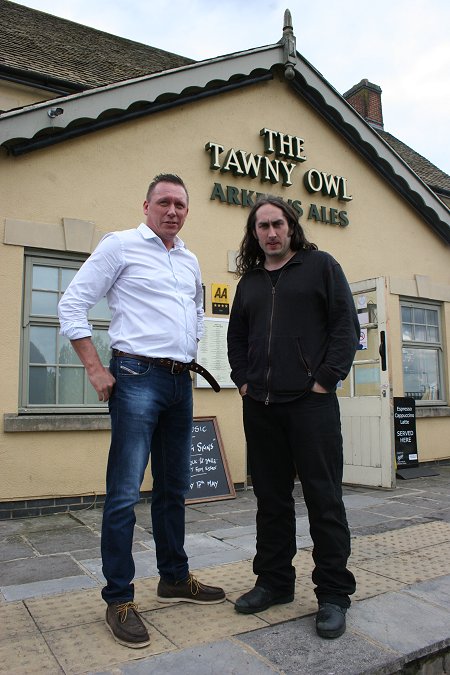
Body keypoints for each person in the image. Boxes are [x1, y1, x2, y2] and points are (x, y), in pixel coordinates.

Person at [58, 174, 225, 650]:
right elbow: (72, 304)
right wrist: (95, 367)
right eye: (164, 202)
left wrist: (189, 350)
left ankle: (174, 577)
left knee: (174, 488)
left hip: (179, 381)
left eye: (180, 204)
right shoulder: (121, 246)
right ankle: (119, 597)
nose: (172, 210)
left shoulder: (189, 258)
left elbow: (194, 306)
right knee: (125, 492)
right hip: (134, 377)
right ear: (147, 205)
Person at [227, 195, 359, 639]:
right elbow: (236, 338)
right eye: (262, 226)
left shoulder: (321, 266)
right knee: (271, 501)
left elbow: (346, 328)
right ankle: (275, 582)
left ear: (291, 227)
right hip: (261, 407)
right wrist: (243, 381)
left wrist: (324, 380)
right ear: (254, 233)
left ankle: (334, 595)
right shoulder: (248, 283)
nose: (270, 233)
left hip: (311, 404)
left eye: (277, 224)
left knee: (324, 500)